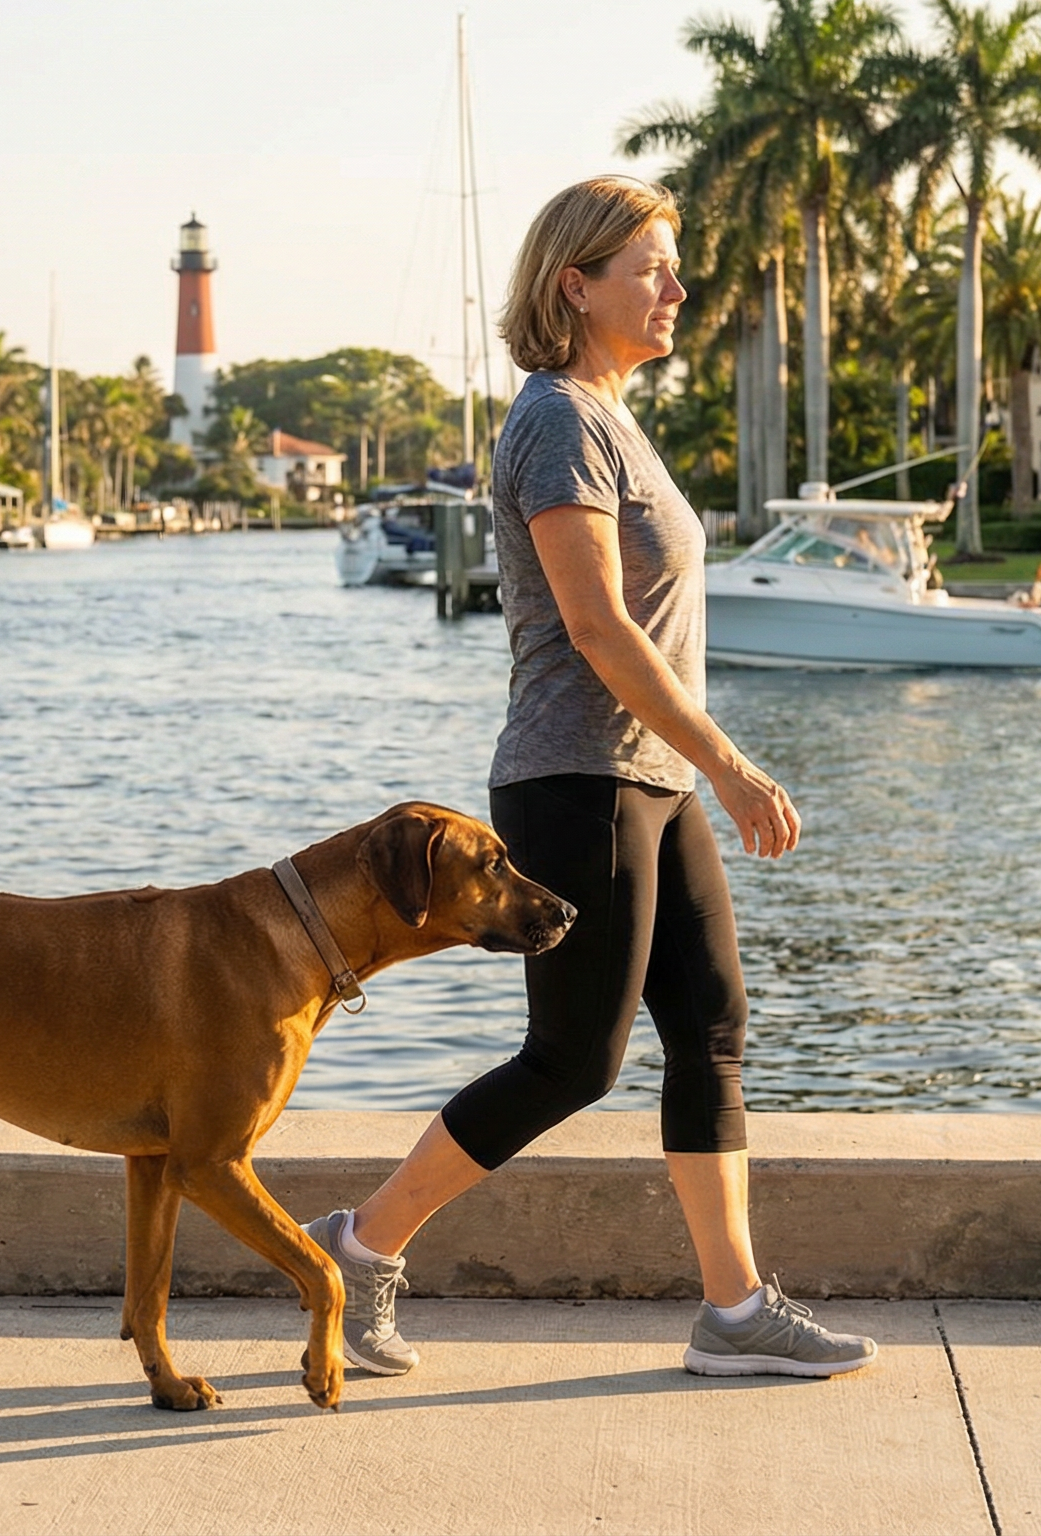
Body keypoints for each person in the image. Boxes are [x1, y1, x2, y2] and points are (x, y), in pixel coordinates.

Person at [303, 175, 875, 1381]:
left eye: (674, 268)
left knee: (710, 1026)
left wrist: (695, 769)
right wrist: (733, 764)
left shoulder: (609, 415)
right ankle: (362, 1245)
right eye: (650, 269)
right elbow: (602, 632)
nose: (677, 289)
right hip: (579, 778)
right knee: (575, 1058)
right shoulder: (558, 419)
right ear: (576, 285)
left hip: (647, 779)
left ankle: (733, 1312)